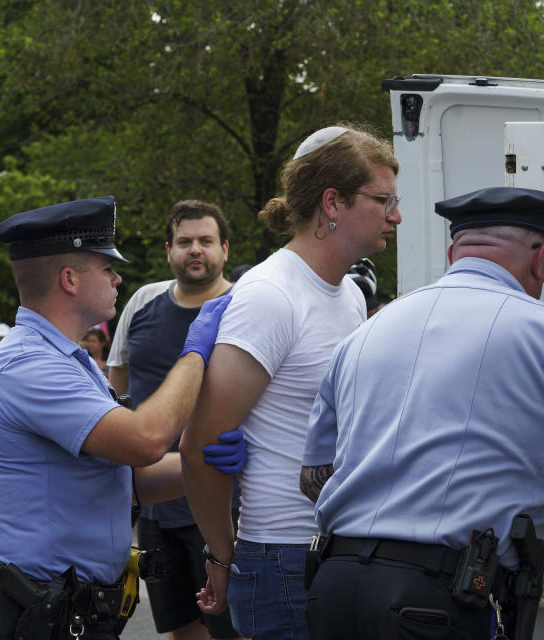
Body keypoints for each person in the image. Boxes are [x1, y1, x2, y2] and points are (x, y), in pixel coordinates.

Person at [298, 187, 544, 640]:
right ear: (540, 257)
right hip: (438, 599)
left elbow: (315, 475)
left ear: (453, 253)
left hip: (334, 589)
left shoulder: (364, 334)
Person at [0, 195, 240, 640]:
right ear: (70, 279)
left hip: (73, 611)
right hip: (43, 614)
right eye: (106, 267)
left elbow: (129, 480)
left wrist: (212, 459)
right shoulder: (26, 366)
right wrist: (196, 350)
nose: (118, 277)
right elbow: (147, 439)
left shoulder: (68, 362)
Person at [180, 124, 401, 640]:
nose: (395, 215)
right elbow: (200, 444)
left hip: (334, 548)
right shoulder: (271, 295)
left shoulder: (346, 293)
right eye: (383, 200)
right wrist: (221, 552)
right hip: (280, 557)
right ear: (333, 203)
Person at [107, 200, 242, 640]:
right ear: (169, 250)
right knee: (182, 630)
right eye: (184, 242)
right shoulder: (143, 301)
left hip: (227, 500)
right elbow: (117, 391)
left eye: (206, 241)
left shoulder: (247, 305)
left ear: (224, 248)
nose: (195, 250)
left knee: (235, 629)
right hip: (154, 506)